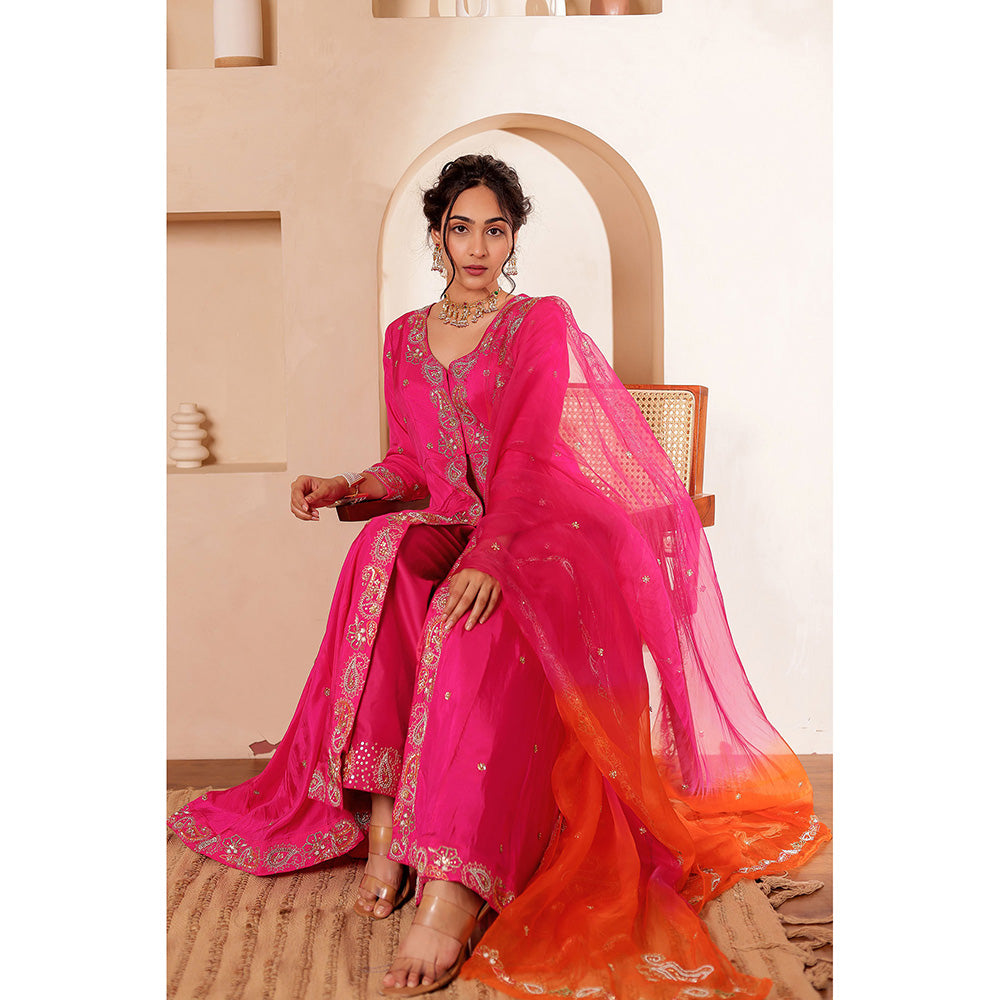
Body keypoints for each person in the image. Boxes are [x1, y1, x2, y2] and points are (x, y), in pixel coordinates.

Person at [169, 155, 830, 999]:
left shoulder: (536, 323)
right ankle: (384, 823)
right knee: (383, 551)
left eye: (496, 229)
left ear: (513, 237)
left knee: (473, 619)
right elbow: (415, 464)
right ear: (437, 235)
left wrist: (491, 554)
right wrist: (350, 486)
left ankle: (451, 884)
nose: (478, 247)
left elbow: (524, 455)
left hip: (541, 527)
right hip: (452, 521)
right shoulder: (403, 336)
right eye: (461, 228)